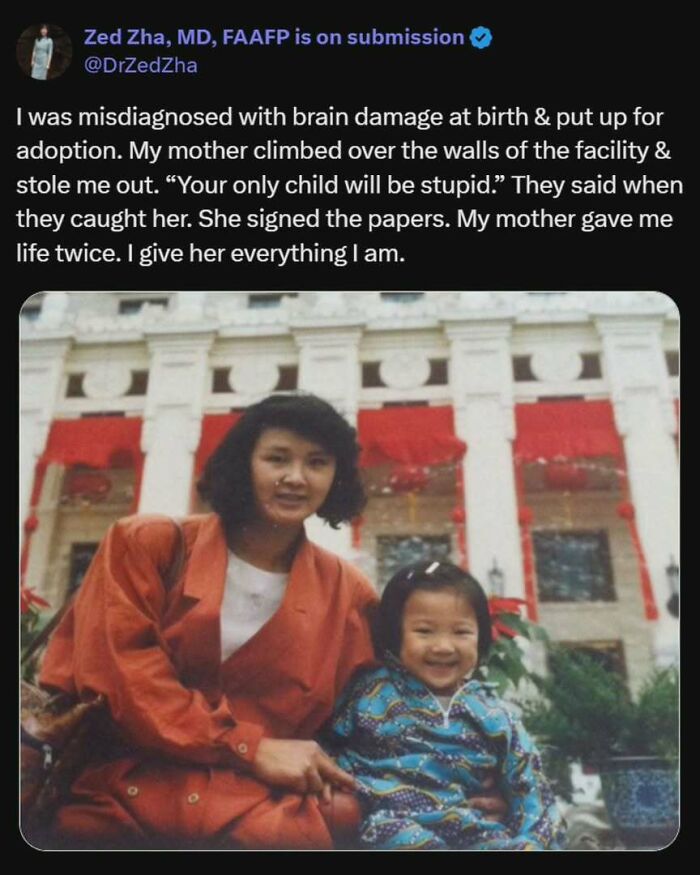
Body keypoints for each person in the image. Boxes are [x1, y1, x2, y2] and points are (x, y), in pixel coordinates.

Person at [36, 394, 506, 849]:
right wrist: (249, 748)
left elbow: (386, 712)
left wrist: (461, 777)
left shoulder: (350, 594)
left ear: (336, 478)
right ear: (244, 463)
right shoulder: (146, 545)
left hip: (266, 821)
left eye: (317, 463)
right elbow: (121, 678)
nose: (295, 478)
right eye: (277, 458)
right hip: (114, 805)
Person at [326, 560, 565, 850]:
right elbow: (326, 745)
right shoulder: (369, 692)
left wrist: (534, 842)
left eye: (461, 632)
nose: (443, 646)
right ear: (395, 634)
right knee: (393, 834)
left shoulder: (494, 714)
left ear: (480, 637)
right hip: (391, 826)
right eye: (424, 631)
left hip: (475, 830)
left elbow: (529, 784)